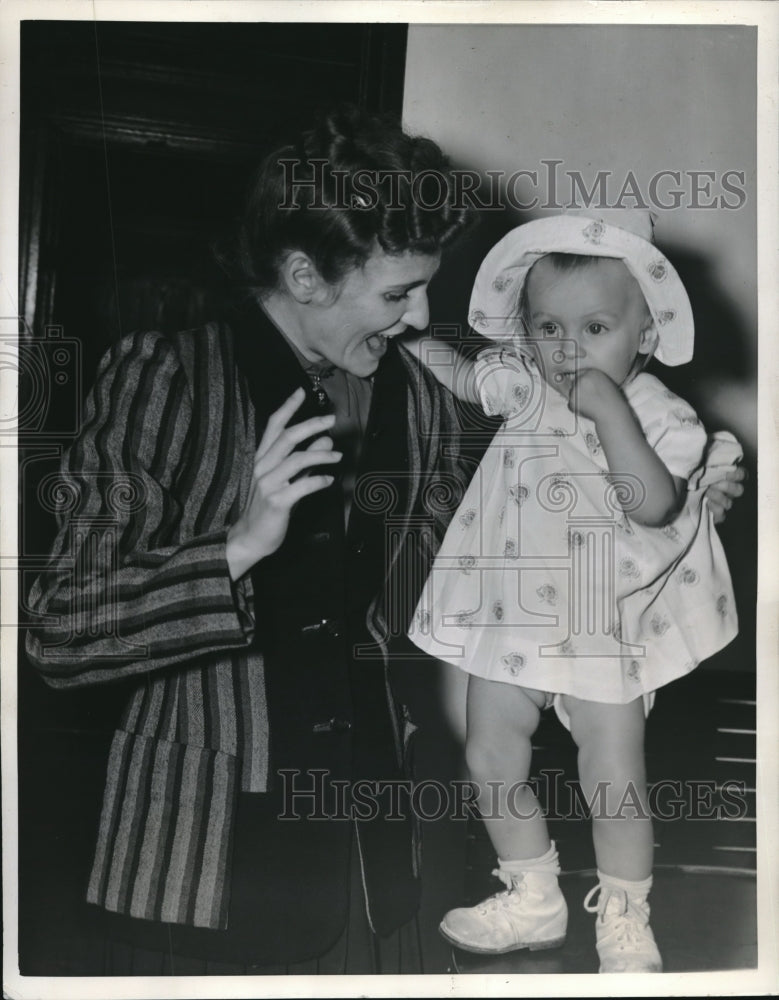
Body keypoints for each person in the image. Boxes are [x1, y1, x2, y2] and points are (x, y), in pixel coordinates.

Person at [23, 106, 475, 974]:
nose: (419, 319)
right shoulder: (168, 375)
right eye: (395, 292)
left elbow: (454, 578)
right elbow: (60, 632)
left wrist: (652, 515)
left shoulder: (416, 397)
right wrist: (236, 548)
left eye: (423, 288)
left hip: (368, 871)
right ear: (304, 275)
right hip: (197, 865)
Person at [406, 209, 743, 973]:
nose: (567, 350)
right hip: (512, 612)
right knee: (489, 756)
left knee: (612, 779)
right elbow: (459, 373)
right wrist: (399, 332)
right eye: (547, 328)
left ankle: (625, 915)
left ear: (643, 335)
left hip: (603, 623)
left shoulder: (660, 412)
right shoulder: (524, 385)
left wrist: (610, 411)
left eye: (594, 329)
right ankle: (531, 893)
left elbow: (652, 504)